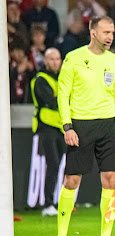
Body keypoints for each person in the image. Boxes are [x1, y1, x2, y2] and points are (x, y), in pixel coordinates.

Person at [45, 16, 115, 236]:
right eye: (105, 32)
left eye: (112, 33)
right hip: (80, 126)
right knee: (72, 180)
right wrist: (67, 126)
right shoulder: (74, 58)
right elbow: (63, 94)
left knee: (110, 180)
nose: (110, 37)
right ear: (93, 33)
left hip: (108, 126)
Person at [31, 48, 65, 216]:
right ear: (45, 61)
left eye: (57, 59)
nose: (55, 62)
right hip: (46, 126)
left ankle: (57, 201)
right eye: (51, 59)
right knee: (52, 163)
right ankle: (48, 204)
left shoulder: (62, 78)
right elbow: (50, 101)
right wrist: (66, 100)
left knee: (58, 164)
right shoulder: (41, 79)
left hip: (60, 127)